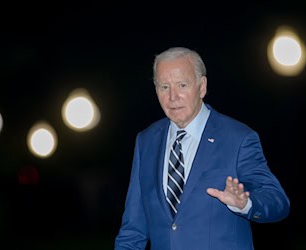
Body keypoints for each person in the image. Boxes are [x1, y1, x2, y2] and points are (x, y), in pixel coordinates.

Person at [114, 46, 290, 250]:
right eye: (164, 87)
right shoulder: (146, 141)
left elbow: (278, 201)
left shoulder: (238, 138)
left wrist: (245, 203)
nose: (173, 97)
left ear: (202, 86)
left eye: (182, 85)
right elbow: (133, 229)